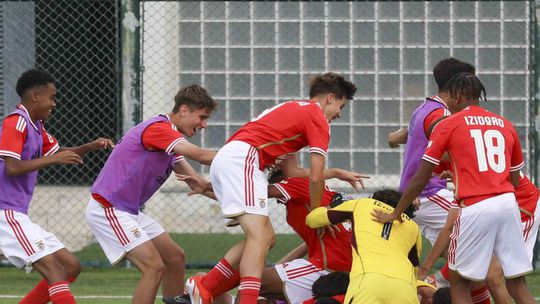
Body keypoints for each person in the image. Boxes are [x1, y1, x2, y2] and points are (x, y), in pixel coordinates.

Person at [186, 72, 358, 304]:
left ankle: (207, 285)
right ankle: (207, 287)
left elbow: (295, 173)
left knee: (265, 238)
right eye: (341, 105)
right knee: (260, 237)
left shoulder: (293, 110)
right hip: (245, 161)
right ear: (330, 97)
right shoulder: (316, 117)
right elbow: (315, 177)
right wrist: (318, 216)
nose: (339, 113)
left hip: (236, 160)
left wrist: (336, 173)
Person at [373, 73, 535, 303]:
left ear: (456, 95)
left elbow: (421, 177)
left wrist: (396, 211)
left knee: (459, 282)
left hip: (476, 206)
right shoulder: (505, 124)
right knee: (517, 285)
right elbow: (515, 179)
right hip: (508, 204)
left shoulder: (449, 124)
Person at [85, 84, 217, 304]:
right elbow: (200, 155)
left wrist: (242, 200)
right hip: (108, 208)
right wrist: (243, 155)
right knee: (153, 267)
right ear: (184, 110)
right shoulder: (159, 129)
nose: (204, 125)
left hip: (127, 211)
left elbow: (199, 184)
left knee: (175, 258)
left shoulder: (169, 143)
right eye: (202, 117)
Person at [0, 69, 114, 304]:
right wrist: (52, 160)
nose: (54, 103)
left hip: (16, 213)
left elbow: (59, 153)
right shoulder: (16, 123)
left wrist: (91, 146)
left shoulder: (36, 126)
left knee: (70, 266)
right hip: (5, 213)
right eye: (52, 97)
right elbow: (12, 167)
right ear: (35, 97)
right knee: (55, 271)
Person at [388, 58, 475, 246]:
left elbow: (409, 135)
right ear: (459, 88)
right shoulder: (442, 116)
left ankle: (433, 277)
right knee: (479, 230)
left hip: (416, 193)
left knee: (455, 259)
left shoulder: (425, 107)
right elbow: (441, 151)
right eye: (471, 88)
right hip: (429, 194)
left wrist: (395, 138)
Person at [306, 189, 421, 304]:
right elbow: (414, 268)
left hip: (367, 282)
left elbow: (312, 219)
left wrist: (326, 208)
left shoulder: (362, 204)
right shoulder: (414, 227)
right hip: (405, 287)